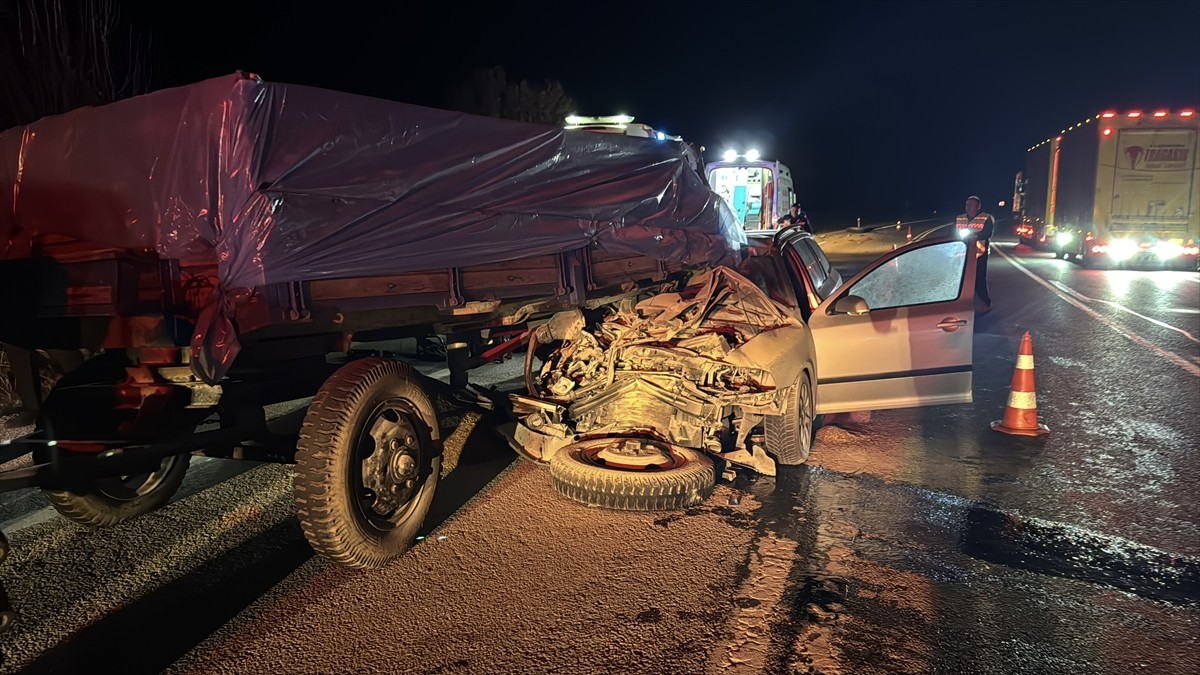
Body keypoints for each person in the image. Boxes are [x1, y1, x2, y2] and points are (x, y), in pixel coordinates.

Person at [956, 195, 994, 311]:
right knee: (962, 281)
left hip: (979, 255)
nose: (969, 207)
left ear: (978, 207)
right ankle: (964, 304)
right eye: (967, 205)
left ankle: (986, 303)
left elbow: (988, 233)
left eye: (972, 205)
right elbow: (954, 233)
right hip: (963, 255)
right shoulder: (960, 218)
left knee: (979, 280)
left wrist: (975, 236)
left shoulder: (986, 218)